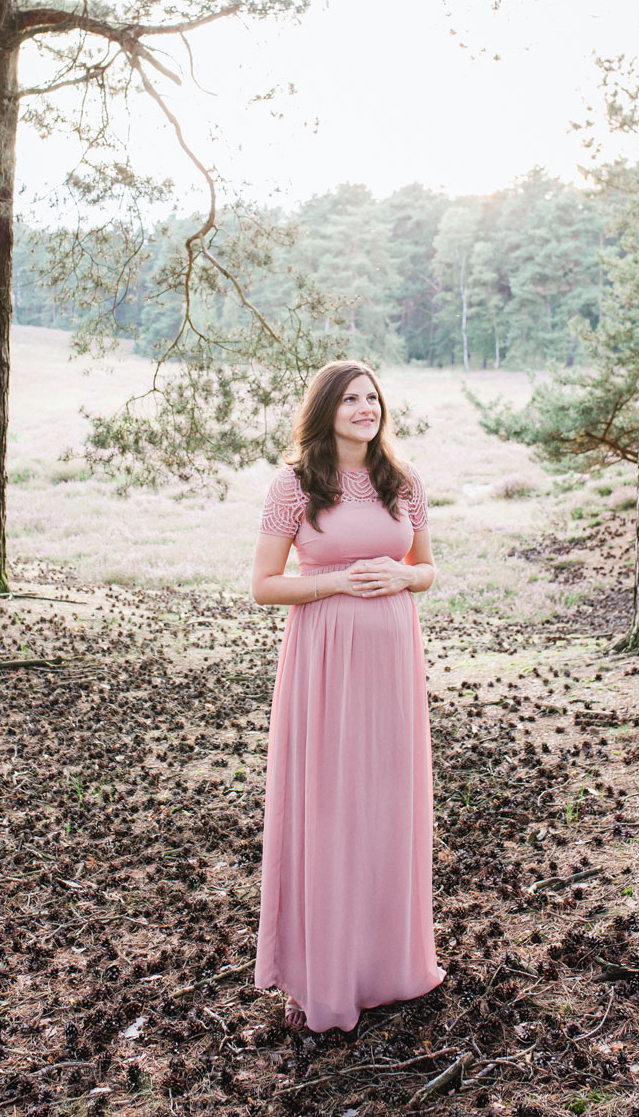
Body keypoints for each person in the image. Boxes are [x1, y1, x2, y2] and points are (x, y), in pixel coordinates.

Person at [251, 359, 444, 1033]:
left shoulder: (404, 479)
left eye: (373, 397)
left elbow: (426, 567)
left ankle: (391, 964)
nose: (366, 407)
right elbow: (264, 584)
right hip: (324, 662)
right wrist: (335, 582)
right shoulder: (296, 483)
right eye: (351, 398)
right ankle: (327, 968)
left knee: (389, 800)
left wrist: (401, 573)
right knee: (333, 804)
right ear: (325, 407)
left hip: (391, 661)